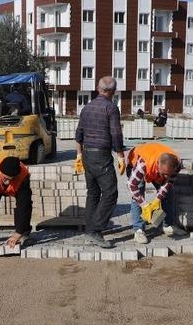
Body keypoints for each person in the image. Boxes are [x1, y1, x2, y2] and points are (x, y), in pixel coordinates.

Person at [74, 76, 125, 249]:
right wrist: (120, 155)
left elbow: (79, 133)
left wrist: (79, 155)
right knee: (110, 193)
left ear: (98, 88)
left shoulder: (86, 108)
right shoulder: (111, 108)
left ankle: (90, 228)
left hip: (87, 154)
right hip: (101, 156)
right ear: (113, 91)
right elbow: (116, 134)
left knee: (93, 193)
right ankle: (95, 231)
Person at [126, 142, 186, 244]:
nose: (166, 177)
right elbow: (131, 185)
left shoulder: (177, 165)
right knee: (138, 193)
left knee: (168, 194)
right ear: (158, 165)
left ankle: (167, 225)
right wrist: (144, 205)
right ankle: (138, 230)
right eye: (164, 174)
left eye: (169, 174)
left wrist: (157, 199)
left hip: (155, 167)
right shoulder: (143, 164)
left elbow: (168, 183)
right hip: (134, 161)